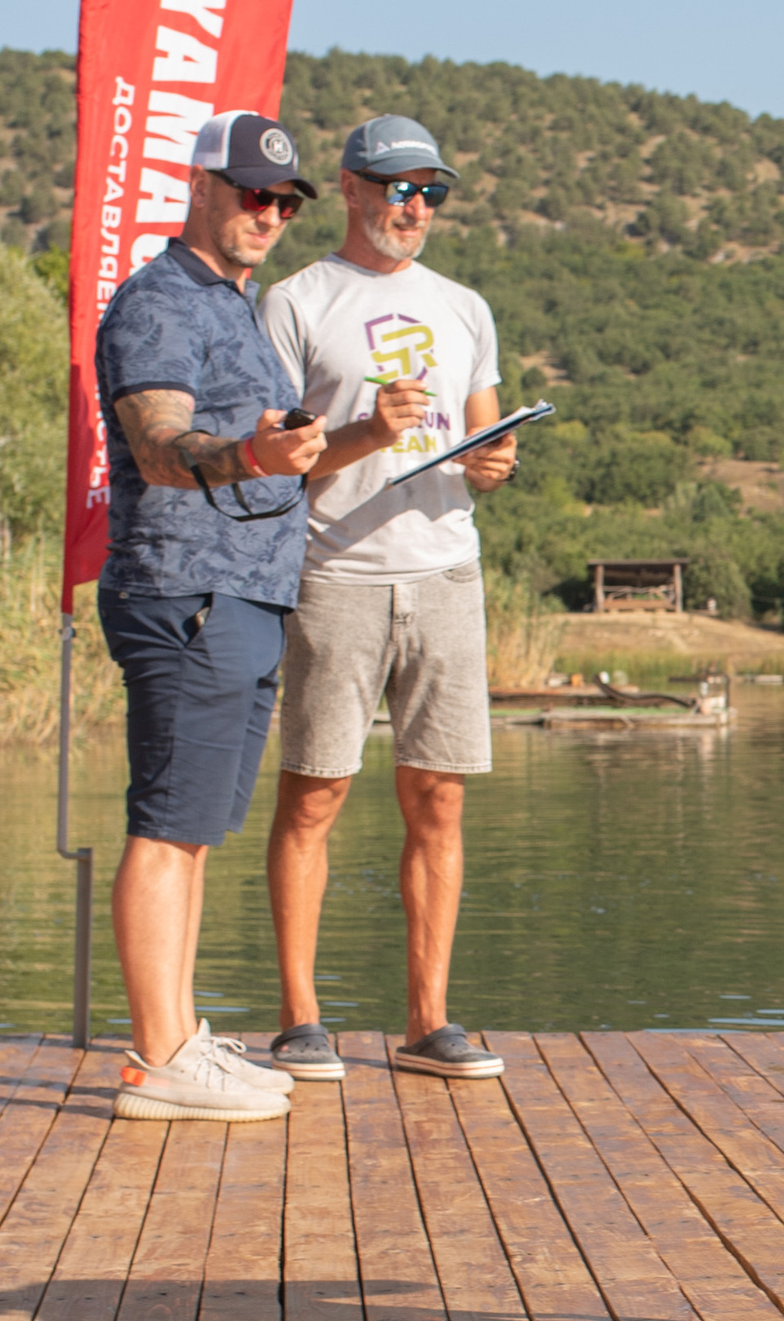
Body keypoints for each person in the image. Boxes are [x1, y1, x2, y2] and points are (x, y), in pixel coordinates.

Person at [261, 113, 521, 1078]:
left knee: (439, 800)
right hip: (334, 572)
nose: (416, 207)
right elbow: (275, 461)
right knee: (315, 796)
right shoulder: (296, 301)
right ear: (353, 188)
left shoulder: (464, 306)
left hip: (447, 571)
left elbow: (486, 438)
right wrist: (367, 433)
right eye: (400, 188)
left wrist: (496, 461)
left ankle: (428, 1024)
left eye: (431, 192)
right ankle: (299, 1020)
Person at [94, 110, 329, 1123]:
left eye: (283, 201)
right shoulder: (158, 302)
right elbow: (157, 445)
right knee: (165, 823)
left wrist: (348, 438)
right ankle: (154, 1059)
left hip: (245, 593)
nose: (268, 213)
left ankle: (180, 1036)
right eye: (252, 192)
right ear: (199, 185)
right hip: (184, 589)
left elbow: (266, 452)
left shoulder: (237, 306)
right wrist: (247, 455)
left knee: (194, 830)